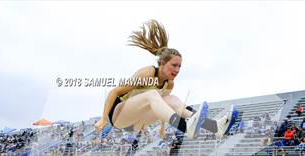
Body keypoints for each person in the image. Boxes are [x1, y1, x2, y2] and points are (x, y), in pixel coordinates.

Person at [94, 20, 236, 145]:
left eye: (180, 66)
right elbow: (115, 92)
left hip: (139, 121)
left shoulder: (169, 84)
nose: (178, 69)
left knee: (171, 99)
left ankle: (215, 127)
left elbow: (162, 107)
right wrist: (103, 119)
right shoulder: (147, 73)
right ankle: (186, 128)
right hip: (119, 117)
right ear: (162, 63)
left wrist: (162, 127)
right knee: (152, 94)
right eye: (174, 65)